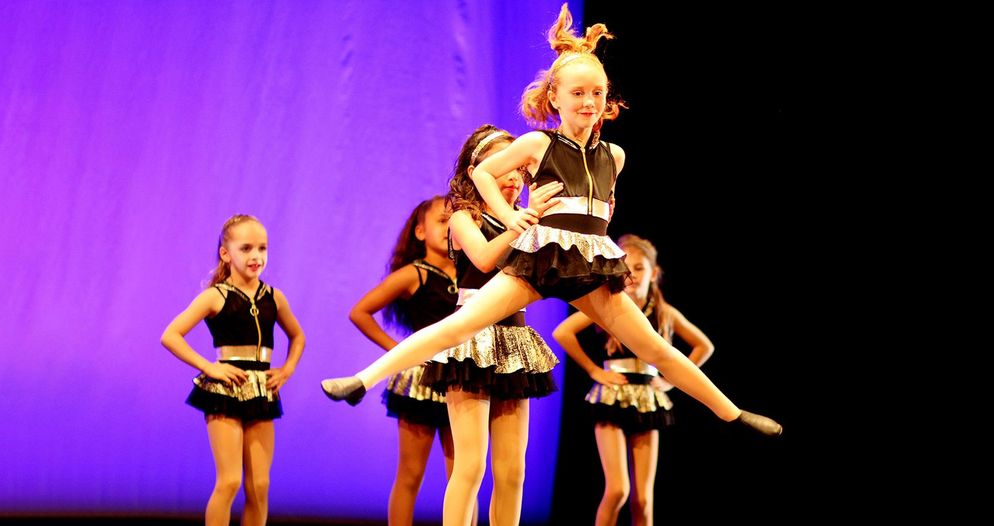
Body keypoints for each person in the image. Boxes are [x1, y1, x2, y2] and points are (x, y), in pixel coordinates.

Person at [319, 2, 780, 441]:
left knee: (655, 347)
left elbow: (601, 205)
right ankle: (362, 379)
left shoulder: (614, 156)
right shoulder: (539, 145)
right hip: (541, 259)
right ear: (554, 97)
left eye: (597, 93)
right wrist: (510, 217)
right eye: (577, 93)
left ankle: (731, 412)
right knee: (457, 326)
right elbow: (482, 172)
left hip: (591, 268)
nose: (589, 101)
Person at [422, 124, 564, 525]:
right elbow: (484, 259)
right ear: (476, 171)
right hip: (472, 337)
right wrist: (525, 221)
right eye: (507, 167)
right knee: (470, 468)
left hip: (514, 340)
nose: (517, 176)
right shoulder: (463, 217)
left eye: (521, 169)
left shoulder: (524, 219)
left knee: (513, 471)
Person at [552, 234, 713, 526]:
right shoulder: (610, 304)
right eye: (627, 267)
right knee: (617, 490)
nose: (632, 274)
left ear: (654, 273)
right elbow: (562, 332)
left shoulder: (665, 312)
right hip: (612, 396)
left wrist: (670, 380)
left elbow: (704, 346)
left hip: (648, 398)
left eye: (640, 268)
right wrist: (594, 371)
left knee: (643, 499)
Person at [334, 195, 473, 526]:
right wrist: (398, 352)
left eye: (454, 219)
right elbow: (360, 312)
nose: (449, 226)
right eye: (441, 220)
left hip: (462, 378)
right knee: (411, 475)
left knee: (465, 473)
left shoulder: (471, 272)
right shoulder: (415, 274)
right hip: (420, 385)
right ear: (420, 232)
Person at [161, 214, 306, 526]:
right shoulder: (216, 296)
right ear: (226, 254)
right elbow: (170, 335)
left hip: (262, 392)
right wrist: (209, 367)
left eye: (262, 248)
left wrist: (287, 370)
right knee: (230, 482)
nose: (256, 256)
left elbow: (298, 336)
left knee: (260, 486)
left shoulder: (274, 297)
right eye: (246, 248)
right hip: (226, 392)